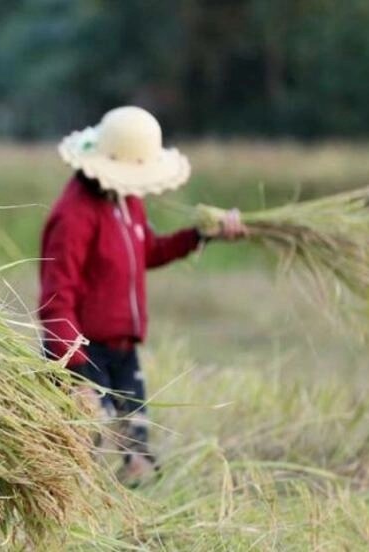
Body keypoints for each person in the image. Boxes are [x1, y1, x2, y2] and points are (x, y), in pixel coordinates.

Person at [38, 106, 245, 485]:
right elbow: (56, 298)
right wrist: (75, 373)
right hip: (83, 353)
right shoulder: (74, 216)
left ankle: (137, 503)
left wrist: (200, 235)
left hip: (122, 350)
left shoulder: (125, 199)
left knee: (137, 448)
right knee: (86, 445)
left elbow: (146, 250)